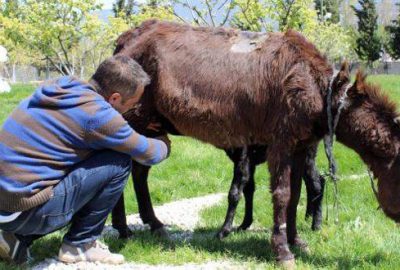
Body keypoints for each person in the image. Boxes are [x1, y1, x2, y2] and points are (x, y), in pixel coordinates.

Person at [0, 55, 170, 265]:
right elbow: (150, 154)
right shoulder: (98, 117)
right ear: (115, 98)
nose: (131, 111)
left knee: (82, 159)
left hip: (6, 205)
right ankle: (80, 244)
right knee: (118, 161)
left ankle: (15, 238)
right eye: (131, 106)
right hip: (23, 210)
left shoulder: (62, 86)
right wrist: (163, 140)